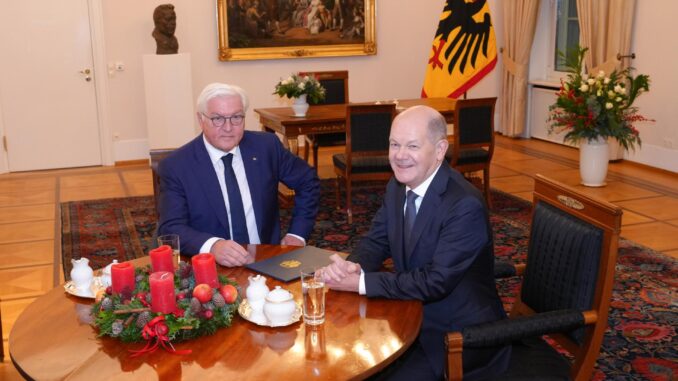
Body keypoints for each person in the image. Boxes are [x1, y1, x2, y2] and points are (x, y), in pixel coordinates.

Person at [319, 105, 510, 380]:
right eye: (394, 144)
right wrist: (353, 267)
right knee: (342, 360)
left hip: (456, 337)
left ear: (440, 150)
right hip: (407, 315)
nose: (399, 156)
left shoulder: (464, 204)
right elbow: (377, 239)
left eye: (412, 146)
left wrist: (361, 284)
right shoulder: (397, 186)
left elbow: (435, 281)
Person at [157, 83, 320, 267]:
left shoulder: (266, 147)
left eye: (236, 117)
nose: (228, 127)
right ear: (201, 119)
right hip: (211, 269)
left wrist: (297, 234)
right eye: (217, 118)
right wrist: (212, 246)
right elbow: (171, 228)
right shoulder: (177, 166)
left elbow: (308, 181)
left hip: (267, 259)